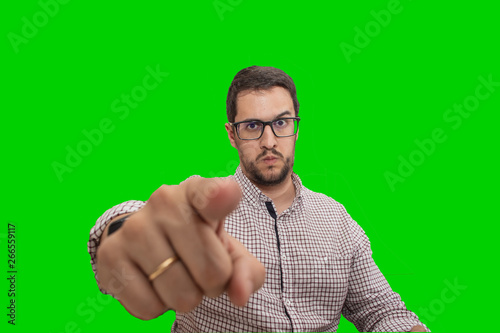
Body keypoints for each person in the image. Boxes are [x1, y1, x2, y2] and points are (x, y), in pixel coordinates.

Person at [88, 66, 429, 332]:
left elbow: (381, 311)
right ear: (232, 135)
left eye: (281, 122)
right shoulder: (204, 207)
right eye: (252, 126)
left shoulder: (337, 219)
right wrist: (123, 231)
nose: (269, 141)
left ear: (296, 128)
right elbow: (140, 221)